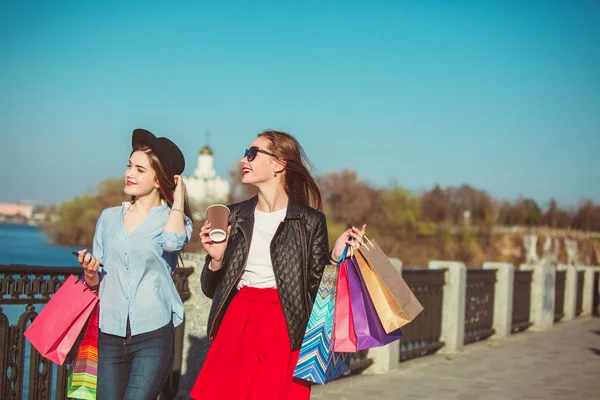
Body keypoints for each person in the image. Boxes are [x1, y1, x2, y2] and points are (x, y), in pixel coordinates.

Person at [190, 130, 365, 399]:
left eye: (252, 153)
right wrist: (216, 259)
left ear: (279, 163)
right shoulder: (234, 215)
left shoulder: (310, 221)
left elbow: (318, 290)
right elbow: (210, 289)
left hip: (286, 325)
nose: (243, 160)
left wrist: (335, 257)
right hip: (237, 320)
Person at [77, 128, 194, 400]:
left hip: (153, 334)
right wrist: (90, 273)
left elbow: (172, 243)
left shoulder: (175, 220)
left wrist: (177, 199)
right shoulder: (107, 218)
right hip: (109, 334)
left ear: (158, 179)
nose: (129, 174)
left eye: (140, 170)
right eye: (130, 166)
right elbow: (94, 282)